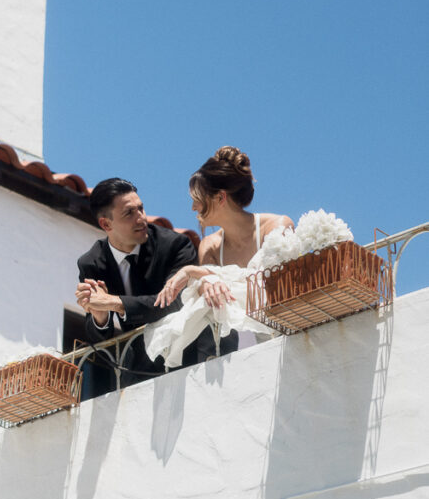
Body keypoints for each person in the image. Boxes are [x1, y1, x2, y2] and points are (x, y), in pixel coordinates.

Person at [147, 146, 294, 367]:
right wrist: (206, 281)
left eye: (197, 198)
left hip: (292, 336)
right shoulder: (210, 246)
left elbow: (264, 286)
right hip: (244, 355)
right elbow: (208, 293)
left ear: (220, 198)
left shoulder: (277, 226)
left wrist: (193, 272)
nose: (193, 207)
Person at [75, 178, 198, 393]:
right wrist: (99, 315)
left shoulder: (176, 245)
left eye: (140, 208)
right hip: (138, 371)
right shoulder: (90, 263)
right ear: (106, 224)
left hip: (188, 359)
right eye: (129, 213)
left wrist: (114, 302)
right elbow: (98, 338)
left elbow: (175, 302)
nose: (141, 218)